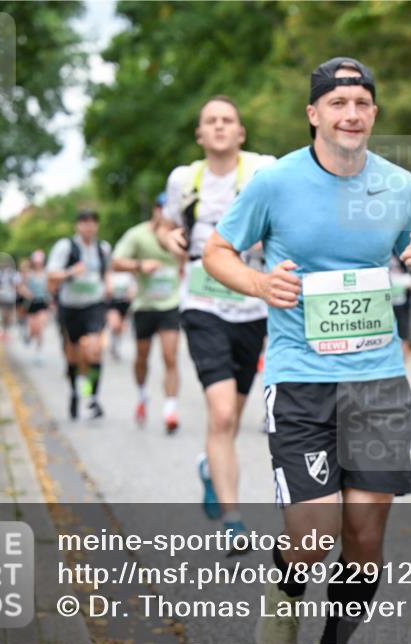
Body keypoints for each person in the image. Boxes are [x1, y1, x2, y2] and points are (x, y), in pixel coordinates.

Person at [203, 57, 411, 644]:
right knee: (314, 537)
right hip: (300, 377)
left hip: (378, 382)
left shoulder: (399, 186)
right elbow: (217, 251)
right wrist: (259, 286)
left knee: (364, 539)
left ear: (374, 114)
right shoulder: (274, 183)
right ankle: (284, 593)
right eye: (338, 104)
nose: (351, 114)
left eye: (362, 103)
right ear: (314, 113)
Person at [158, 96, 276, 538]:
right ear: (200, 134)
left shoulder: (264, 169)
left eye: (229, 119)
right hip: (202, 304)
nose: (221, 126)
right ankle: (232, 519)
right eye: (211, 120)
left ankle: (211, 465)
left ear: (241, 133)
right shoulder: (184, 179)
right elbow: (166, 225)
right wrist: (170, 237)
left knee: (232, 415)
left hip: (252, 304)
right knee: (222, 415)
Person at [112, 192, 183, 433]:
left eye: (169, 209)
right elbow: (116, 261)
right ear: (154, 210)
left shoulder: (181, 234)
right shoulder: (138, 235)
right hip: (144, 305)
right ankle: (142, 395)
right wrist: (140, 265)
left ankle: (170, 409)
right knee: (142, 358)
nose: (164, 213)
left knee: (170, 357)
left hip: (170, 305)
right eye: (161, 208)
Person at [47, 210, 111, 420]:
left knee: (94, 348)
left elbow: (107, 271)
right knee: (73, 355)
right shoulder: (66, 247)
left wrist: (108, 285)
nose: (89, 227)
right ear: (77, 225)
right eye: (85, 223)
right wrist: (70, 272)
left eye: (93, 223)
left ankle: (92, 397)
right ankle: (75, 392)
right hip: (70, 306)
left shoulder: (103, 248)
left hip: (94, 305)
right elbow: (51, 274)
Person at [20, 250, 51, 365]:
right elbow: (21, 287)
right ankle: (28, 336)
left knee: (40, 327)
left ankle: (39, 352)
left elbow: (51, 288)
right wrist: (27, 293)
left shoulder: (47, 273)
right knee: (33, 328)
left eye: (40, 261)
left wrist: (50, 298)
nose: (38, 263)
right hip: (31, 303)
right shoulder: (29, 274)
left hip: (43, 303)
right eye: (36, 261)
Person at [106, 269, 135, 361]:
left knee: (121, 327)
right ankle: (113, 343)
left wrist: (131, 293)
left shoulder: (128, 274)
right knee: (115, 324)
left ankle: (116, 345)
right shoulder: (109, 273)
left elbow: (133, 288)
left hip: (124, 303)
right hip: (112, 303)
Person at [0, 260, 21, 341]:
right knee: (3, 314)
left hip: (10, 297)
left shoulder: (13, 273)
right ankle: (3, 331)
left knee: (9, 316)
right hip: (1, 297)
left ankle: (6, 330)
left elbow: (17, 285)